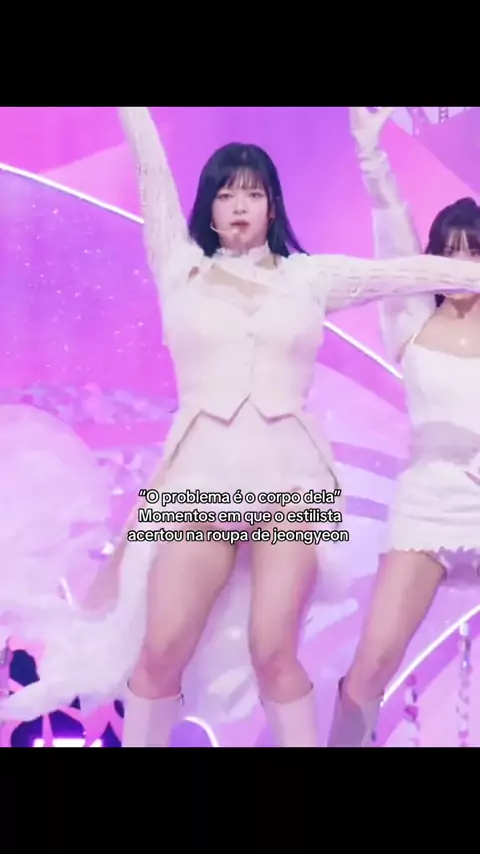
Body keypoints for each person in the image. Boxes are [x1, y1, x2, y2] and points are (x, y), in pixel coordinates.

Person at [2, 107, 480, 750]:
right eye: (226, 194)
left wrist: (467, 272)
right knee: (162, 648)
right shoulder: (180, 266)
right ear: (207, 206)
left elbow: (408, 272)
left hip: (291, 483)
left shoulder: (309, 277)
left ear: (273, 206)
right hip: (200, 478)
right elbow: (150, 171)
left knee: (273, 651)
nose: (238, 206)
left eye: (252, 194)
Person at [328, 106, 480, 747]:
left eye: (474, 250)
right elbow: (393, 230)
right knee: (369, 670)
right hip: (429, 506)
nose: (461, 263)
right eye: (449, 252)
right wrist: (372, 154)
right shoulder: (413, 321)